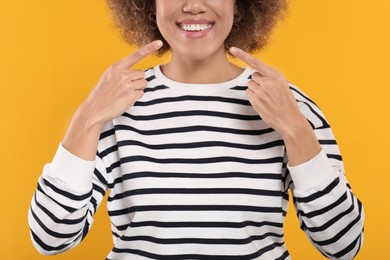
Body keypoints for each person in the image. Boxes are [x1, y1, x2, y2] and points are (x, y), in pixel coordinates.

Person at [28, 0, 364, 259]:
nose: (193, 5)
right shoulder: (115, 104)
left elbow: (343, 244)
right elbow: (50, 238)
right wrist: (87, 118)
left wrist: (295, 130)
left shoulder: (287, 103)